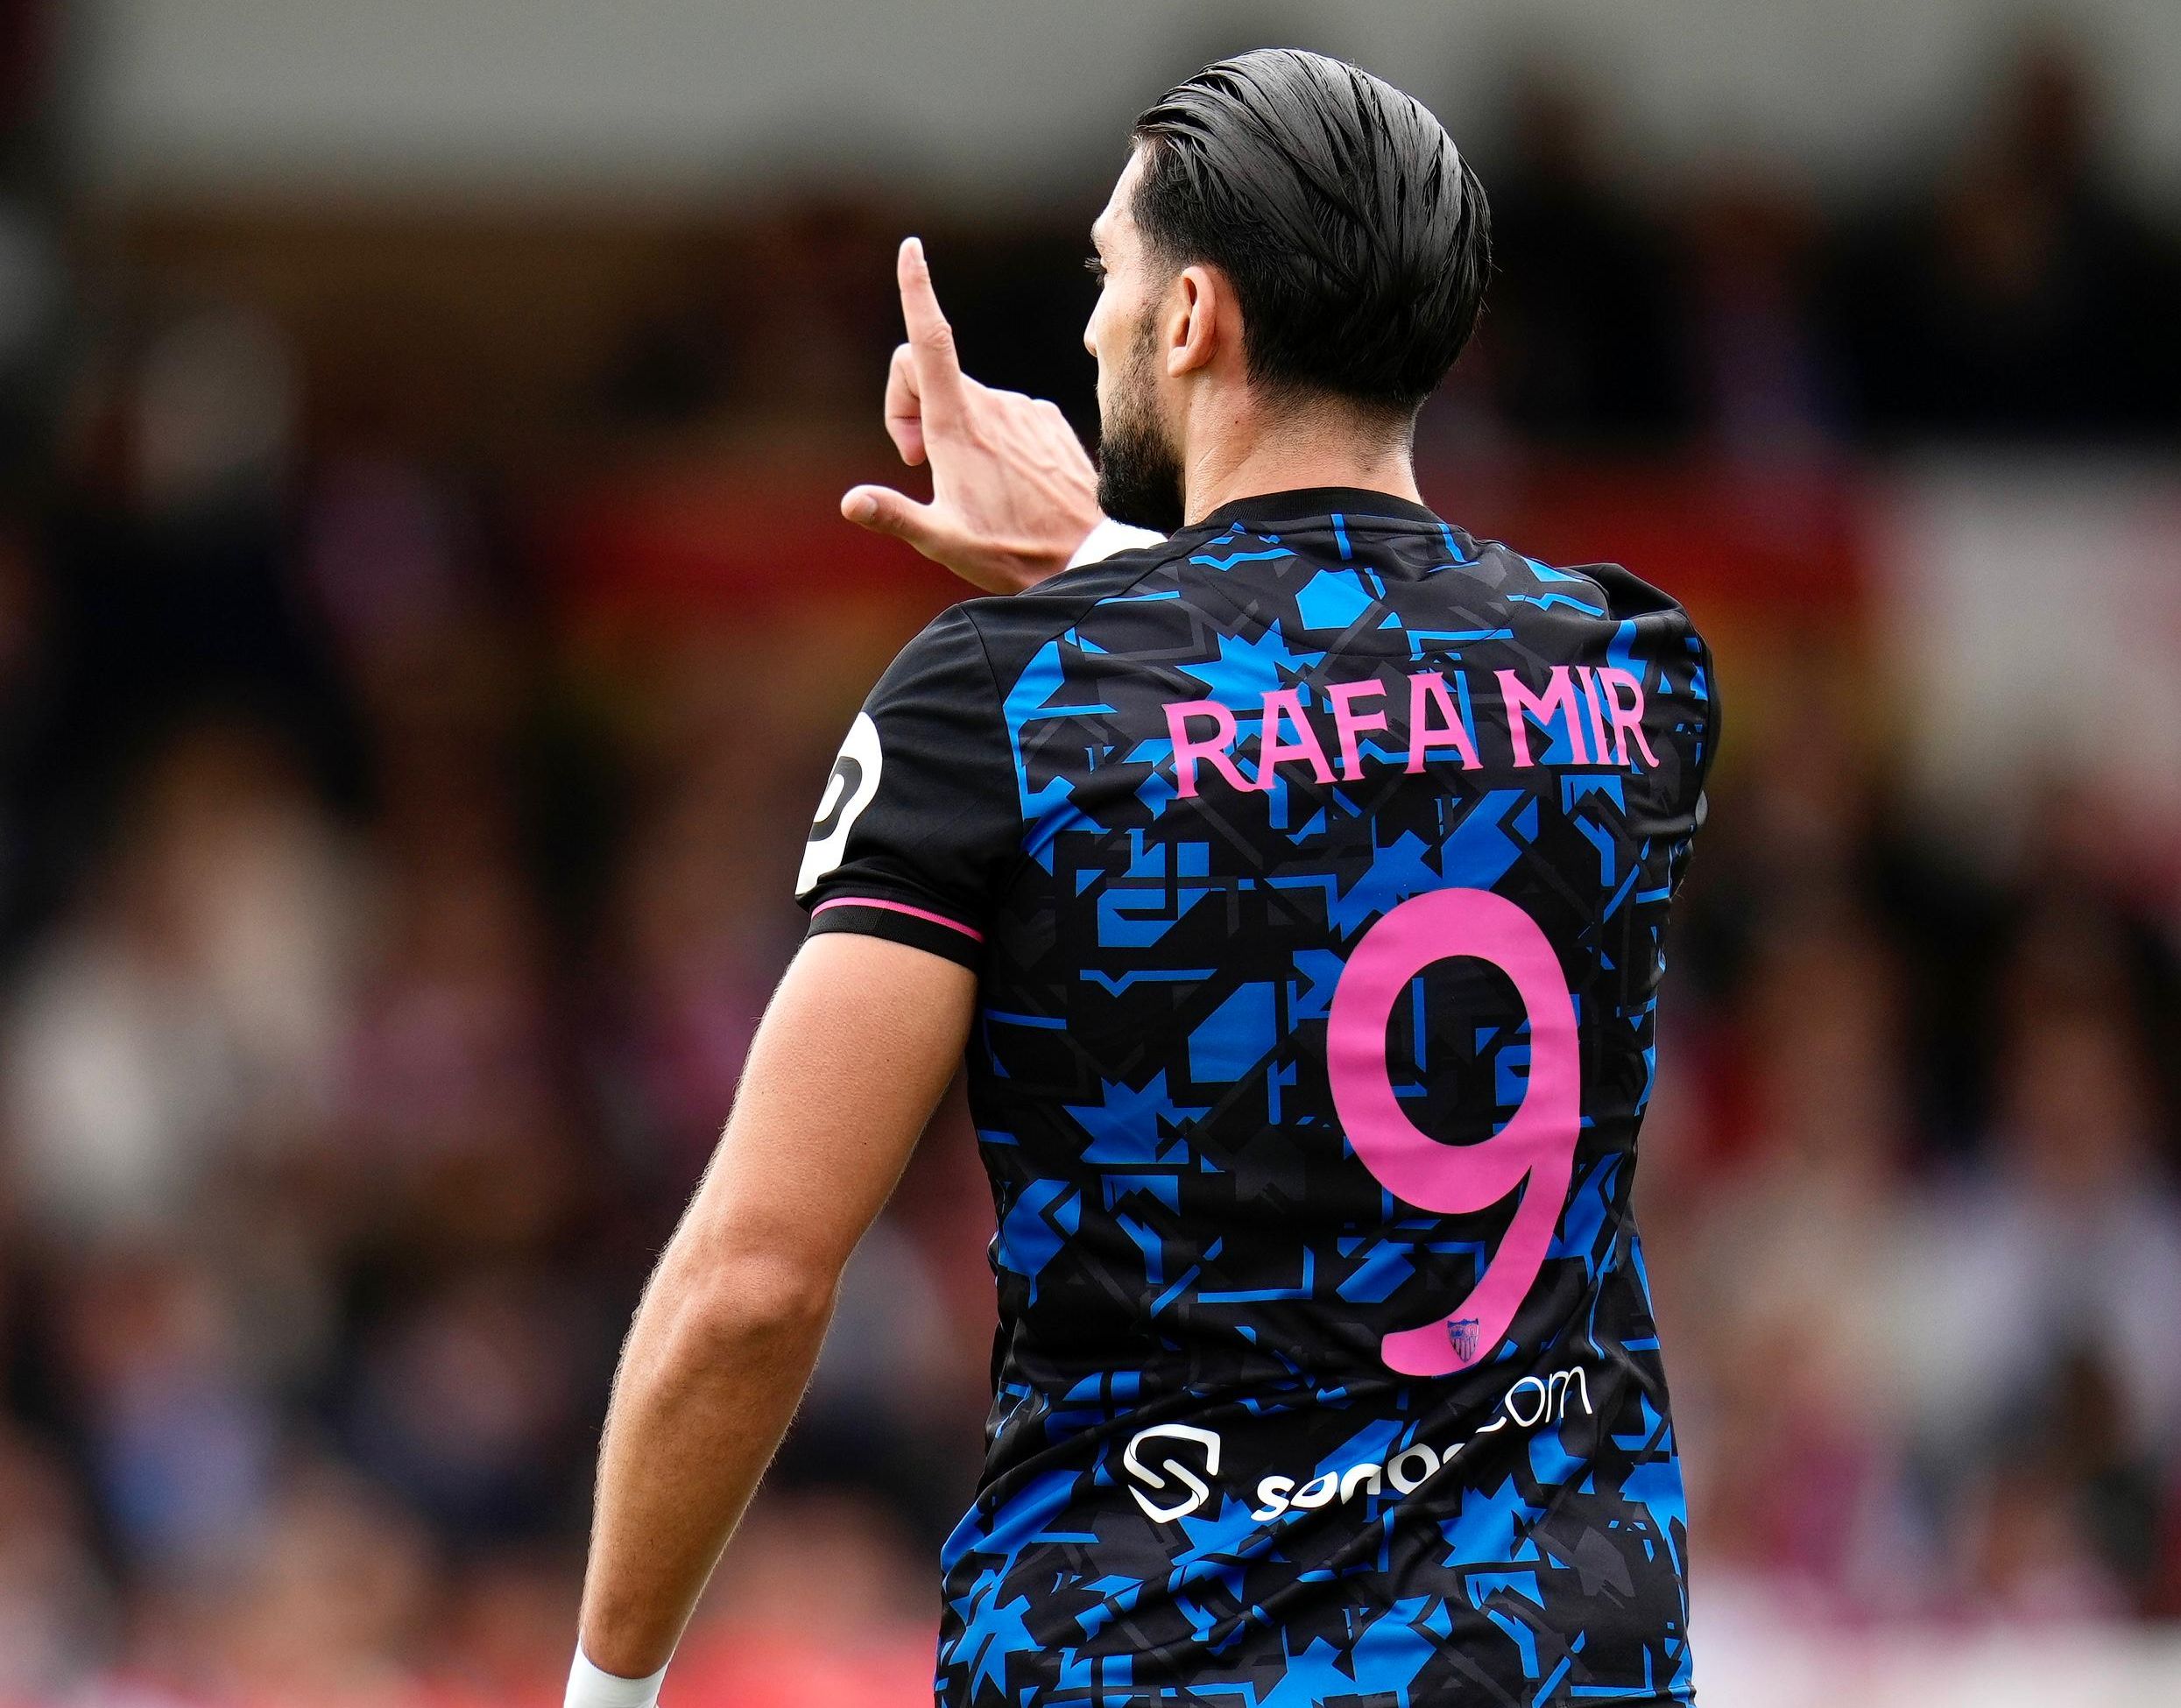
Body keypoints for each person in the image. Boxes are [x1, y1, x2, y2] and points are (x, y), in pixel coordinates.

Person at [566, 49, 1714, 1708]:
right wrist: (1115, 567)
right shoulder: (1629, 669)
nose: (1092, 320)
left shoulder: (1002, 705)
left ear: (1190, 322)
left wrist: (605, 1691)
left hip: (1139, 1653)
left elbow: (755, 1280)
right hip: (1552, 1652)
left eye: (1107, 273)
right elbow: (1374, 704)